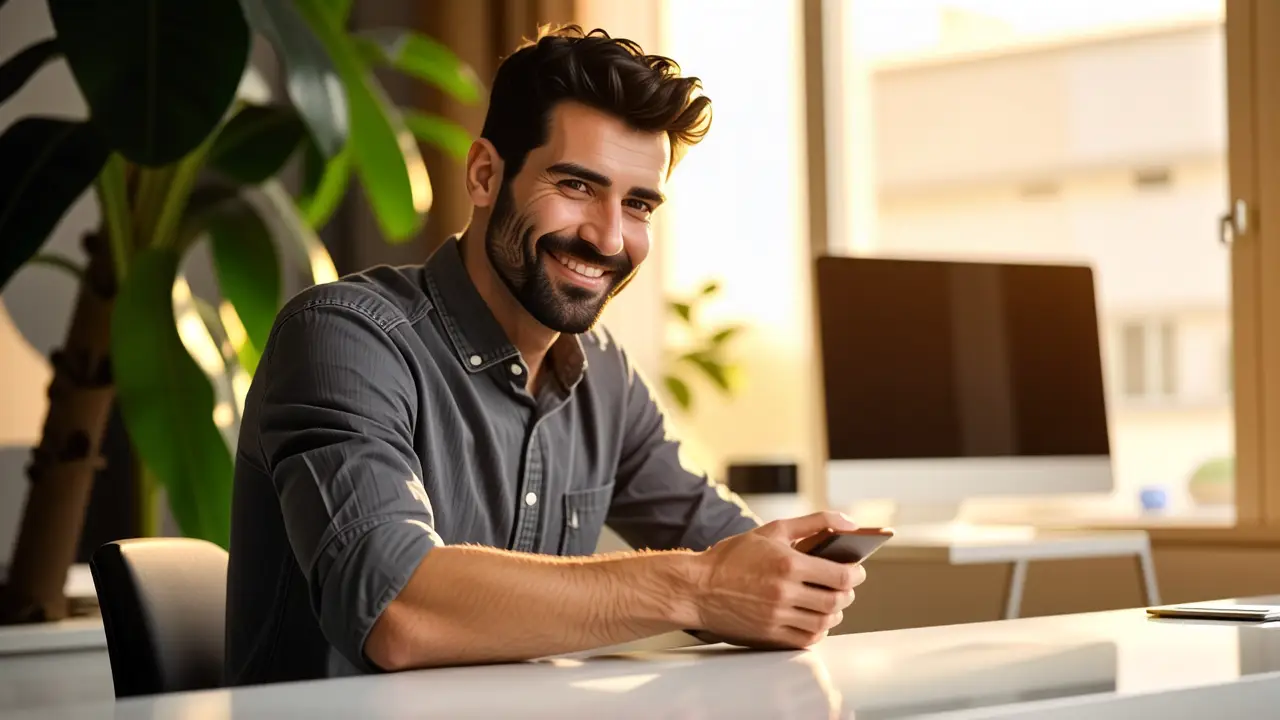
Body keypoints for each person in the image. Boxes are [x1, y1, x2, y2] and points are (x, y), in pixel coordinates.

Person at [224, 24, 867, 686]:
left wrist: (785, 579)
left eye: (637, 204)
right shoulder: (345, 338)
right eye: (577, 186)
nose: (608, 238)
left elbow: (735, 559)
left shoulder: (604, 377)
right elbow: (396, 607)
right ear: (484, 175)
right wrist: (700, 588)